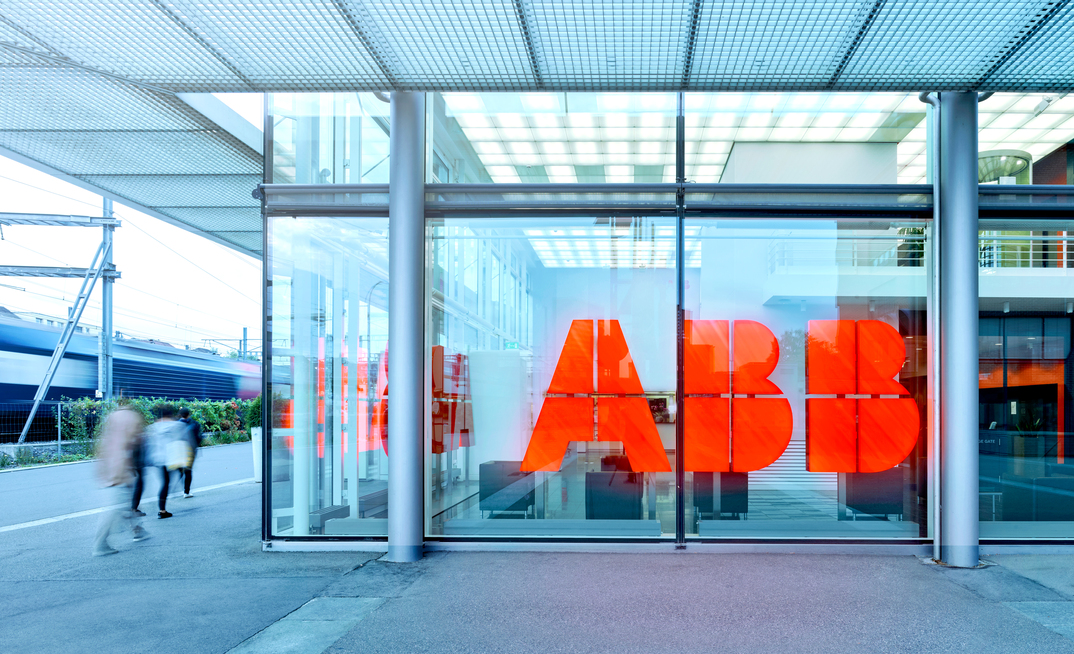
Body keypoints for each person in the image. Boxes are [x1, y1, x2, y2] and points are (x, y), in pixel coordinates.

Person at [92, 401, 149, 556]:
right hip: (121, 466)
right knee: (115, 505)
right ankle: (100, 544)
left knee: (125, 500)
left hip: (110, 463)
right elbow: (137, 441)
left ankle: (137, 529)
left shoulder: (111, 417)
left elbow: (104, 442)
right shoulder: (132, 417)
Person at [144, 404, 187, 519]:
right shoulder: (177, 425)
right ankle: (177, 489)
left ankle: (162, 509)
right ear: (171, 414)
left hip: (159, 459)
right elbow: (181, 440)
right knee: (180, 474)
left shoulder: (153, 427)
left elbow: (149, 443)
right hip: (172, 458)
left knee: (164, 483)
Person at [178, 407, 202, 498]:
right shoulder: (195, 424)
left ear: (180, 415)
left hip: (179, 450)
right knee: (188, 471)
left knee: (179, 470)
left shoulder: (176, 425)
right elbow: (199, 437)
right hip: (191, 450)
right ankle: (186, 492)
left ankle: (171, 488)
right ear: (189, 414)